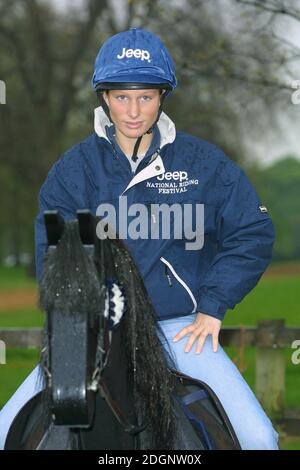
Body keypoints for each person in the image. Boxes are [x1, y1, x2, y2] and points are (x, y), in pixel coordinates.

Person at [0, 27, 279, 450]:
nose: (133, 111)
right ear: (104, 98)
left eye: (145, 96)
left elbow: (253, 231)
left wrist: (213, 304)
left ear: (162, 96)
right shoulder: (73, 171)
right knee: (4, 431)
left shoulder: (203, 163)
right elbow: (52, 257)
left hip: (179, 330)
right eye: (121, 97)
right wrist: (80, 323)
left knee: (259, 439)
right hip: (94, 336)